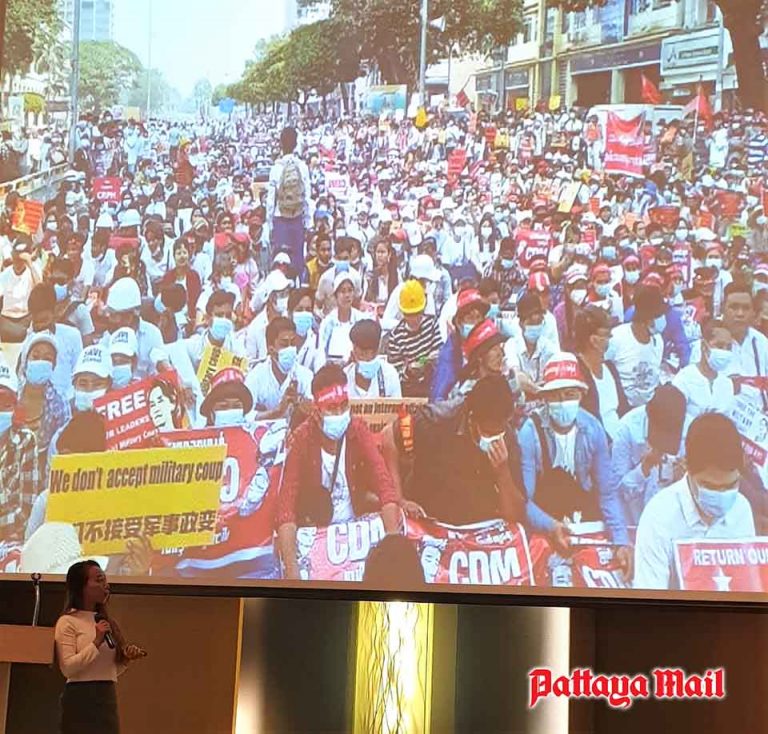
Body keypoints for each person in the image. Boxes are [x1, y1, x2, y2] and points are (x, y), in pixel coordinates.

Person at [276, 365, 401, 579]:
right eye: (332, 408)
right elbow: (285, 507)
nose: (340, 414)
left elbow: (384, 485)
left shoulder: (357, 429)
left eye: (344, 406)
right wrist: (292, 571)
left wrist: (394, 544)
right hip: (316, 535)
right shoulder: (301, 439)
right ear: (317, 411)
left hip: (354, 531)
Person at [517, 352, 631, 574]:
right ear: (545, 398)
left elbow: (607, 492)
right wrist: (550, 525)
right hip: (544, 516)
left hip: (582, 514)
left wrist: (621, 540)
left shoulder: (593, 428)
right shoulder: (529, 433)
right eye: (555, 396)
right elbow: (524, 500)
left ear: (581, 394)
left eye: (570, 394)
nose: (562, 402)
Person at [633, 413, 756, 590]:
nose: (721, 495)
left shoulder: (741, 509)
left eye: (731, 485)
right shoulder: (659, 517)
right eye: (709, 486)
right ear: (686, 466)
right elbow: (649, 595)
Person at [381, 375, 524, 525]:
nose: (495, 437)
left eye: (499, 431)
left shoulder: (507, 437)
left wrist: (503, 472)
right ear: (472, 419)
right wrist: (399, 499)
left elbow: (515, 515)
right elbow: (389, 435)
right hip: (430, 516)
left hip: (477, 522)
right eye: (488, 432)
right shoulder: (437, 420)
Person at [55, 560, 146, 734]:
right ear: (81, 586)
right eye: (99, 580)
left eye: (105, 580)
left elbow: (109, 670)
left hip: (106, 696)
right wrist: (96, 642)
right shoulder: (68, 621)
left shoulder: (106, 621)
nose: (106, 585)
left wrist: (126, 660)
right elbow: (68, 668)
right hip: (80, 698)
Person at [611, 384, 687, 525]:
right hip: (634, 520)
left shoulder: (689, 429)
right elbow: (617, 492)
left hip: (670, 519)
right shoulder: (626, 429)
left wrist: (684, 480)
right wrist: (644, 468)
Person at [574, 305, 629, 443]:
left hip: (622, 441)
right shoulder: (577, 374)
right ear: (593, 340)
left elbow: (624, 409)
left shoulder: (611, 368)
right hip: (599, 444)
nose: (611, 337)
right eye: (607, 335)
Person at [606, 284, 666, 408]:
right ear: (646, 319)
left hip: (650, 408)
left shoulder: (658, 340)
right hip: (623, 408)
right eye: (658, 315)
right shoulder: (616, 338)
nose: (663, 319)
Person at [672, 319, 736, 434]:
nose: (725, 352)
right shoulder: (684, 379)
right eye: (719, 346)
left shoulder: (727, 384)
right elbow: (674, 422)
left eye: (729, 347)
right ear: (703, 346)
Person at [245, 316, 313, 419]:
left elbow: (314, 409)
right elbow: (246, 415)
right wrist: (277, 412)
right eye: (284, 344)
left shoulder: (305, 375)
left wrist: (299, 404)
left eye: (293, 343)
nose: (290, 349)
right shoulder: (256, 376)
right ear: (271, 349)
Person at [386, 280, 443, 397]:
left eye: (418, 313)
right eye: (409, 315)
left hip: (433, 383)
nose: (414, 319)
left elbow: (439, 352)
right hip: (409, 390)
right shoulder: (396, 336)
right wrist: (408, 371)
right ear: (402, 312)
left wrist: (424, 361)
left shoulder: (431, 323)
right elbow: (394, 375)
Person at [431, 287, 489, 401]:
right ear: (458, 322)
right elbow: (439, 400)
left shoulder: (487, 345)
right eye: (470, 318)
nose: (476, 323)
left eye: (478, 318)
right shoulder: (450, 353)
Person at [267, 126, 312, 274]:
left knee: (280, 260)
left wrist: (270, 224)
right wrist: (308, 222)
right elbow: (307, 196)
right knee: (297, 259)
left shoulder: (276, 168)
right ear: (295, 143)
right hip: (297, 217)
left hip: (280, 217)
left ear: (281, 144)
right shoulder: (302, 166)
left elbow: (271, 200)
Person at [344, 319, 402, 398]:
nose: (366, 359)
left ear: (377, 350)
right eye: (361, 354)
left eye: (366, 353)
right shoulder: (345, 377)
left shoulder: (390, 375)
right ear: (354, 350)